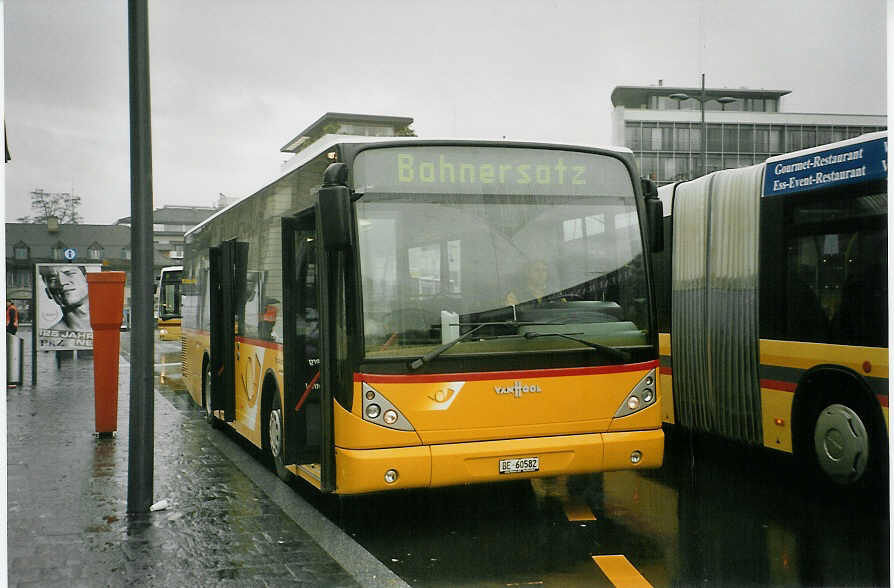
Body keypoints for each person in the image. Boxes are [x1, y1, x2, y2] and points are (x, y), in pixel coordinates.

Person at [40, 265, 91, 331]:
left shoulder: (107, 326)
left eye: (69, 274)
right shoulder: (48, 339)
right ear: (48, 293)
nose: (62, 282)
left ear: (88, 280)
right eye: (53, 279)